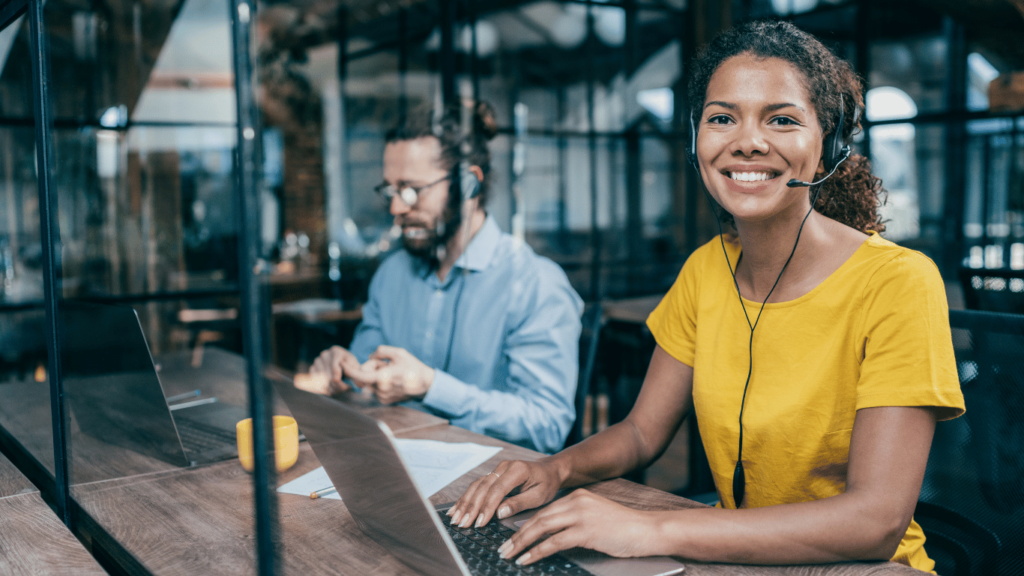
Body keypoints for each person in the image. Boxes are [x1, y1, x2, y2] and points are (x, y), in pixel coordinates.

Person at [449, 21, 964, 572]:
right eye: (722, 118)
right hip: (735, 556)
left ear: (828, 147)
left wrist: (649, 527)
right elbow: (642, 432)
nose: (746, 140)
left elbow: (875, 523)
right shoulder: (706, 269)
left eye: (782, 119)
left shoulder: (898, 282)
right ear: (697, 141)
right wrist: (556, 470)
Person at [296, 101, 583, 454]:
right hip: (395, 467)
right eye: (390, 190)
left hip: (491, 487)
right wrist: (345, 373)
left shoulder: (534, 283)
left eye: (412, 190)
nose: (396, 208)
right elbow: (365, 379)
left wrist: (430, 386)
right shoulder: (392, 275)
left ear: (468, 186)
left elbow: (546, 426)